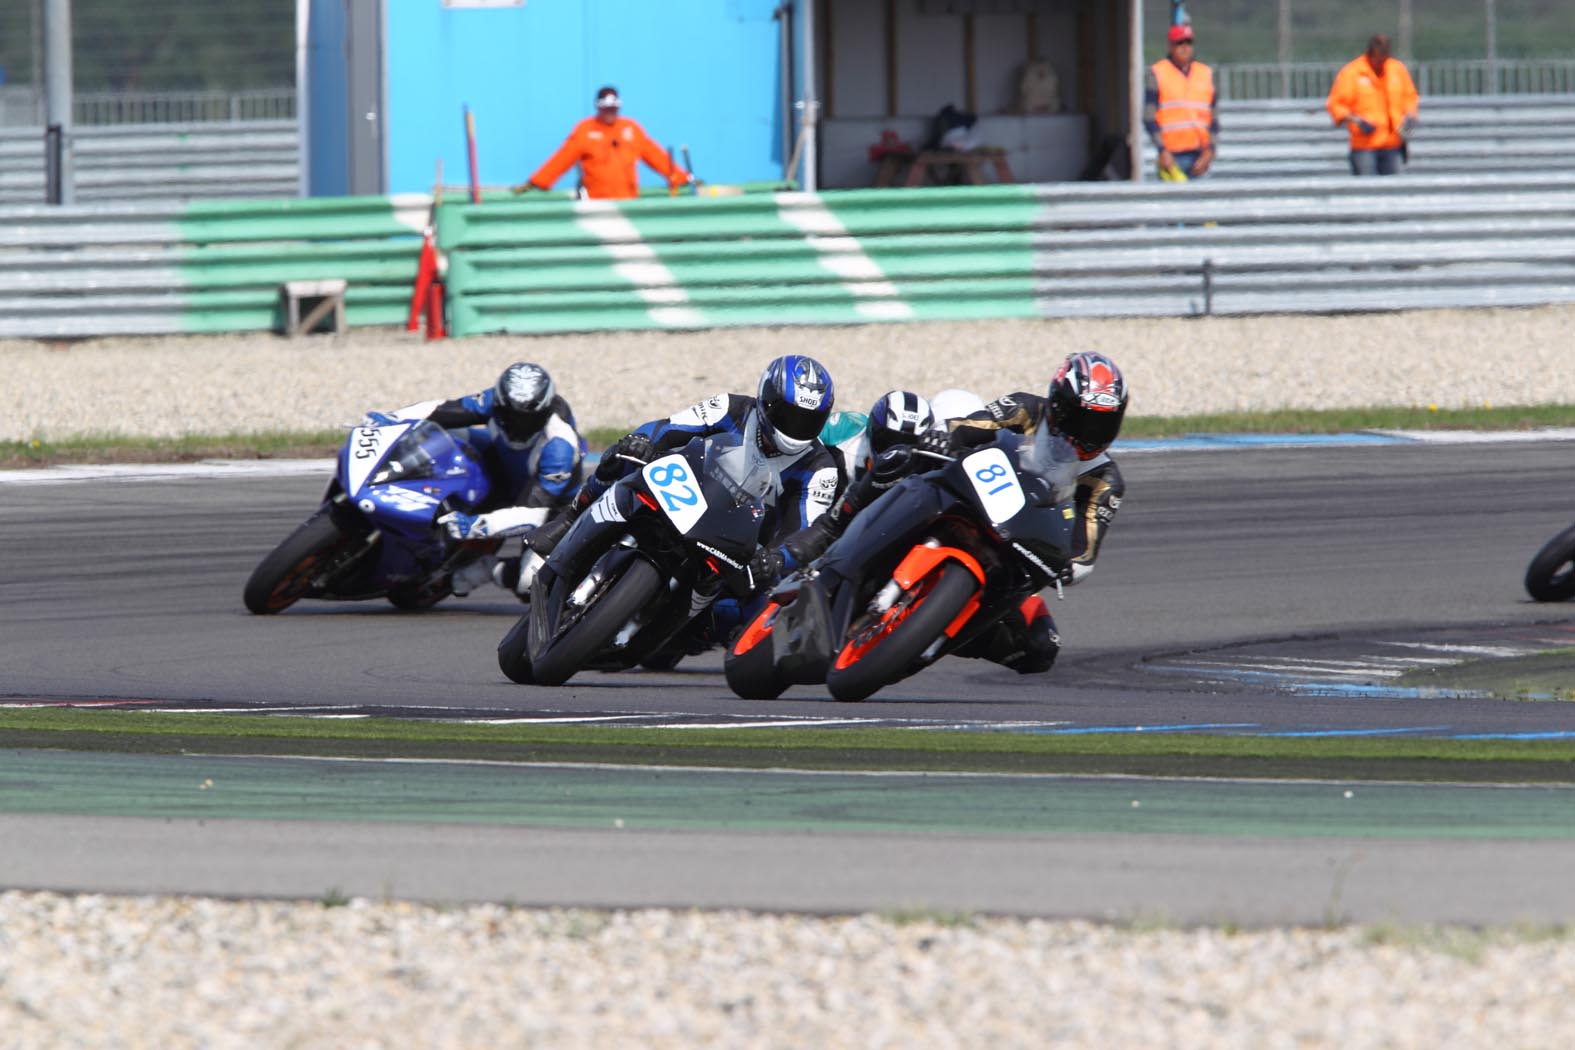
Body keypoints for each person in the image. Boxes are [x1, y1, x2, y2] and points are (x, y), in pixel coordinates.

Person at [938, 351, 1131, 674]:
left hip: (1009, 561)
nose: (1090, 432)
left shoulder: (1105, 480)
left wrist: (1065, 564)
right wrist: (947, 441)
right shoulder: (1025, 410)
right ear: (1058, 404)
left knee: (1041, 646)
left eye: (1102, 423)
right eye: (1082, 418)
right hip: (962, 507)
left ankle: (931, 637)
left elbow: (1082, 556)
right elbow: (961, 431)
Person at [365, 362, 586, 597]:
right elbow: (441, 409)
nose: (516, 424)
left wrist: (476, 526)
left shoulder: (559, 446)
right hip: (501, 464)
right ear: (500, 403)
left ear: (544, 410)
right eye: (509, 415)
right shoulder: (494, 400)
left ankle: (488, 569)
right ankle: (401, 489)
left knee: (529, 583)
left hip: (547, 506)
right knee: (438, 434)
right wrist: (395, 419)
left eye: (527, 418)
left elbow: (533, 514)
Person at [513, 85, 692, 200]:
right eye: (606, 108)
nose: (610, 112)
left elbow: (656, 156)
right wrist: (536, 182)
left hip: (629, 201)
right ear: (598, 107)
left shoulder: (631, 129)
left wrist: (681, 177)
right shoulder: (586, 130)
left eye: (614, 108)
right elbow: (562, 159)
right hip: (598, 205)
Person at [1327, 34, 1419, 177]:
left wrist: (1410, 115)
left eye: (1384, 58)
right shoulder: (1352, 72)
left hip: (1393, 144)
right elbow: (1336, 104)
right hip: (1365, 145)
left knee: (1396, 190)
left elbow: (1409, 96)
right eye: (1378, 58)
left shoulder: (1397, 69)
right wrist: (1356, 120)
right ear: (1371, 53)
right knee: (1367, 189)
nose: (1381, 62)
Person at [1144, 23, 1217, 180]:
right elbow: (1149, 117)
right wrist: (1162, 151)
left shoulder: (1204, 73)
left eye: (1188, 42)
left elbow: (1214, 119)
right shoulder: (1157, 73)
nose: (1184, 48)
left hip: (1200, 158)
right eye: (1179, 43)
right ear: (1170, 46)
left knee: (1204, 204)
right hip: (1172, 157)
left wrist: (1210, 151)